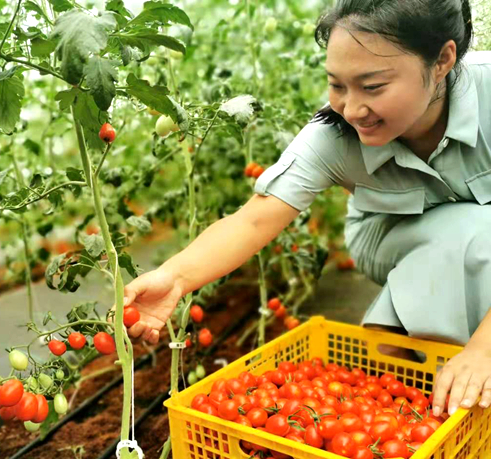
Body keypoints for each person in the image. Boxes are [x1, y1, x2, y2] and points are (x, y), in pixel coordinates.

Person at [122, 0, 491, 419]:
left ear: (443, 59)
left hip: (479, 238)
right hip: (387, 239)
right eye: (337, 85)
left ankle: (415, 345)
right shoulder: (333, 136)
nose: (351, 109)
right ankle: (421, 367)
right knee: (477, 230)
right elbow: (254, 219)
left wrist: (484, 348)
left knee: (478, 231)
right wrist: (174, 278)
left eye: (372, 87)